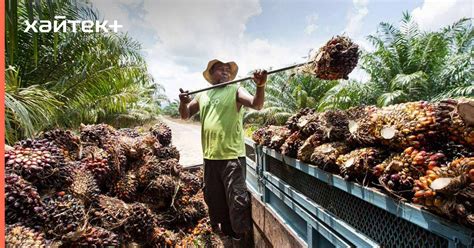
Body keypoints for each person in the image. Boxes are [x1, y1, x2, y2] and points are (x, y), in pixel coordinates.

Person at [179, 59, 267, 247]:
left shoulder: (235, 90)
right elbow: (185, 115)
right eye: (220, 69)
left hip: (232, 158)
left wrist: (260, 85)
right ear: (211, 74)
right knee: (216, 201)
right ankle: (227, 238)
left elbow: (256, 104)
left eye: (228, 70)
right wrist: (183, 102)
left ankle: (240, 241)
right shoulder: (203, 95)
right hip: (210, 158)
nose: (225, 72)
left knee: (237, 202)